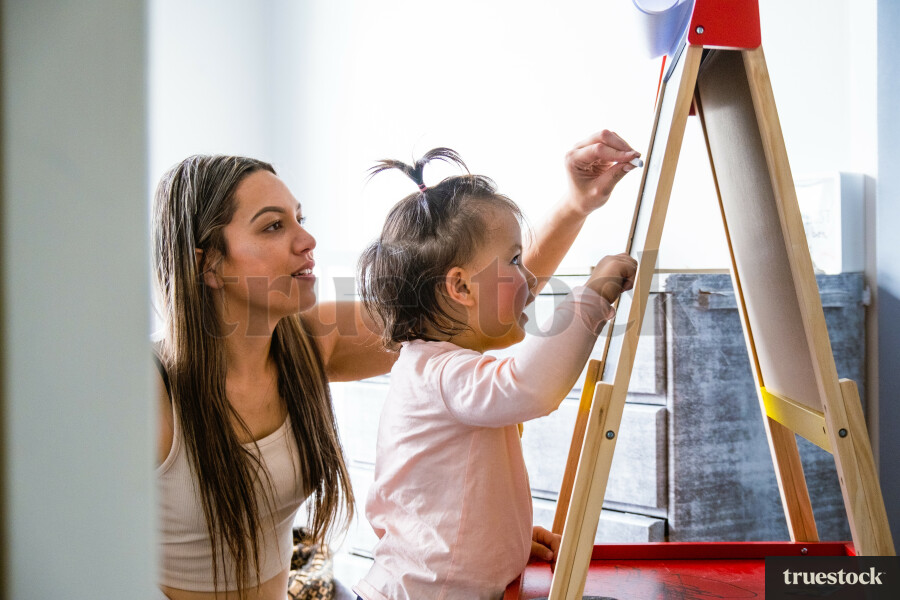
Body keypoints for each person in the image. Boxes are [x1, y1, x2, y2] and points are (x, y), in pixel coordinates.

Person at [151, 130, 639, 600]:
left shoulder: (306, 343)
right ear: (208, 264)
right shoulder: (146, 388)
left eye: (300, 218)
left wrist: (480, 538)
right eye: (274, 225)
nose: (308, 240)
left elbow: (475, 298)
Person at [352, 147, 638, 600]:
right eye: (514, 261)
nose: (529, 277)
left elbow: (453, 498)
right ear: (461, 287)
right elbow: (530, 387)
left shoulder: (440, 367)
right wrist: (592, 294)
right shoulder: (438, 374)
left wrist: (503, 543)